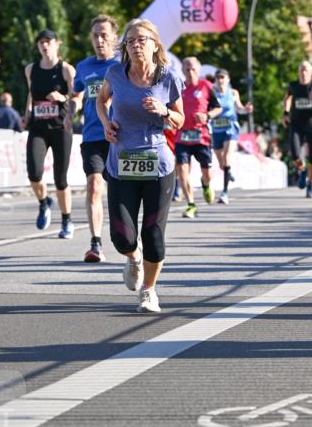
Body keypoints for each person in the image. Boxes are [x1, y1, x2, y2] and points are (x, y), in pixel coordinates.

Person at [96, 18, 184, 313]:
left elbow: (180, 119)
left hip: (158, 166)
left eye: (142, 40)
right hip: (122, 163)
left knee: (154, 236)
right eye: (131, 41)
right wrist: (107, 124)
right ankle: (133, 257)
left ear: (155, 44)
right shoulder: (115, 73)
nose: (135, 45)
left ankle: (148, 291)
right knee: (122, 236)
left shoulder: (168, 78)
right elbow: (101, 101)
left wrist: (164, 110)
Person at [71, 14, 119, 261]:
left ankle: (128, 237)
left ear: (114, 37)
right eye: (95, 36)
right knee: (94, 186)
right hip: (92, 134)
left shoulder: (123, 64)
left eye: (104, 35)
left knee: (121, 191)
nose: (99, 40)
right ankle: (96, 243)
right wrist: (73, 106)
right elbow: (77, 93)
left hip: (120, 135)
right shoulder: (84, 66)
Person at [23, 29, 75, 238]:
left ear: (57, 44)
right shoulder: (30, 69)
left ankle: (66, 221)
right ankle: (44, 202)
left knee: (60, 179)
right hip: (38, 127)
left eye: (48, 42)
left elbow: (75, 96)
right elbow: (31, 92)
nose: (44, 46)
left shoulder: (66, 70)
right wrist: (26, 112)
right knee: (34, 173)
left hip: (61, 128)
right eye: (41, 42)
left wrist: (61, 97)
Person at [175, 56, 221, 218]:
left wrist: (207, 116)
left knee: (207, 173)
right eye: (187, 69)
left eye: (193, 68)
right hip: (182, 136)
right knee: (182, 171)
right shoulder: (178, 87)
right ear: (182, 71)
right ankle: (191, 205)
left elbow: (217, 108)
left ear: (199, 70)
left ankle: (205, 184)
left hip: (202, 136)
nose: (190, 72)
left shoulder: (206, 86)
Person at [211, 69, 252, 204]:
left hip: (230, 128)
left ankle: (224, 193)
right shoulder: (212, 92)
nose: (220, 80)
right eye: (218, 77)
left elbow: (239, 108)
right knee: (221, 162)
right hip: (216, 129)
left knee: (227, 157)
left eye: (223, 77)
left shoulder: (233, 93)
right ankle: (228, 172)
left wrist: (245, 109)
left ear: (228, 79)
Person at [283, 61, 312, 198]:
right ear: (298, 73)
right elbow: (287, 98)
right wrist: (285, 113)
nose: (303, 73)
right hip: (296, 125)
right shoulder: (293, 86)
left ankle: (310, 186)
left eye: (306, 70)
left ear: (311, 73)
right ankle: (302, 170)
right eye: (301, 70)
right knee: (294, 155)